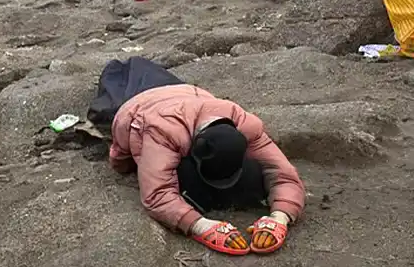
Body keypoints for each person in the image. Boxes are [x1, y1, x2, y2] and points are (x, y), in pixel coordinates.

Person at [109, 83, 306, 254]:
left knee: (253, 176)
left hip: (190, 93)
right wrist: (199, 225)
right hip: (137, 106)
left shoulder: (244, 124)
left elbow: (283, 174)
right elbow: (157, 194)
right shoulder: (161, 131)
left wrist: (280, 218)